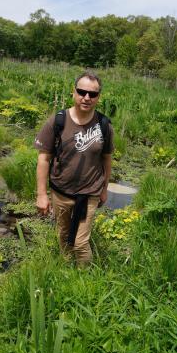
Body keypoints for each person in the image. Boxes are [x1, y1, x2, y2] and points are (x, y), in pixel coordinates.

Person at [34, 71, 113, 265]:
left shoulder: (104, 125)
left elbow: (107, 159)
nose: (86, 97)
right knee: (63, 234)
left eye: (92, 94)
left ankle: (85, 281)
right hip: (61, 192)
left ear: (98, 97)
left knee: (80, 243)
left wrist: (104, 189)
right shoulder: (58, 121)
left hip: (89, 193)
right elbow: (44, 159)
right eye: (82, 92)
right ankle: (66, 270)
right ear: (74, 92)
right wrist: (41, 194)